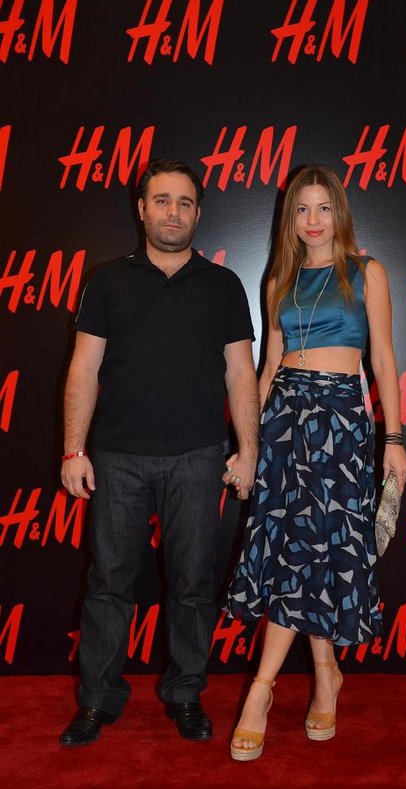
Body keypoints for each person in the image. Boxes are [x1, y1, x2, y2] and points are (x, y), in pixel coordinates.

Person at [59, 159, 259, 747]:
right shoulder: (107, 281)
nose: (173, 212)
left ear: (198, 213)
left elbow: (241, 375)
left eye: (185, 202)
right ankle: (97, 701)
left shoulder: (224, 285)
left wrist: (248, 450)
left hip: (199, 456)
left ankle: (187, 694)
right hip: (117, 456)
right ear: (141, 208)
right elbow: (83, 369)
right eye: (162, 200)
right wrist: (73, 449)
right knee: (108, 584)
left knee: (193, 584)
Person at [227, 164, 406, 761]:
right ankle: (325, 676)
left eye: (323, 208)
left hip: (340, 423)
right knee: (296, 546)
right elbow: (268, 368)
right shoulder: (279, 279)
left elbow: (383, 359)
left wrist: (394, 437)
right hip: (284, 420)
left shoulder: (366, 271)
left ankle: (261, 689)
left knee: (317, 546)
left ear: (339, 213)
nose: (313, 220)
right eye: (302, 209)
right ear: (291, 217)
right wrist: (250, 446)